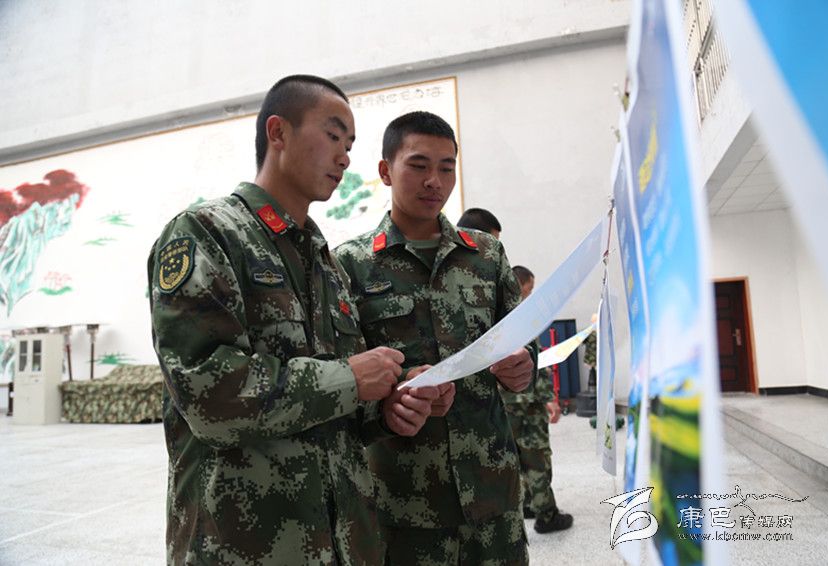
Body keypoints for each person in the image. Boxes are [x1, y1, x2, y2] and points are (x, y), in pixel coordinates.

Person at [148, 75, 452, 566]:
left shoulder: (325, 263)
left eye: (349, 145)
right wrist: (351, 378)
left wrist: (392, 404)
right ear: (278, 132)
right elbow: (208, 393)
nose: (344, 157)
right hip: (244, 547)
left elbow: (340, 405)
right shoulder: (209, 233)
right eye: (333, 136)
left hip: (343, 543)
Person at [334, 111, 535, 565]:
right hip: (404, 504)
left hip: (493, 493)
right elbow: (342, 375)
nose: (434, 181)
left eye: (446, 168)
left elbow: (521, 338)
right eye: (419, 165)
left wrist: (524, 365)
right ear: (386, 170)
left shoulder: (486, 255)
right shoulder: (350, 265)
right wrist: (392, 401)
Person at [505, 265, 574, 534]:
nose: (531, 294)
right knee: (536, 456)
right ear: (519, 284)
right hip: (528, 401)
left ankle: (528, 503)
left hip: (507, 402)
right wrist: (549, 398)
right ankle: (547, 515)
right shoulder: (522, 317)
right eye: (529, 289)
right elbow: (534, 362)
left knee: (518, 454)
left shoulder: (496, 314)